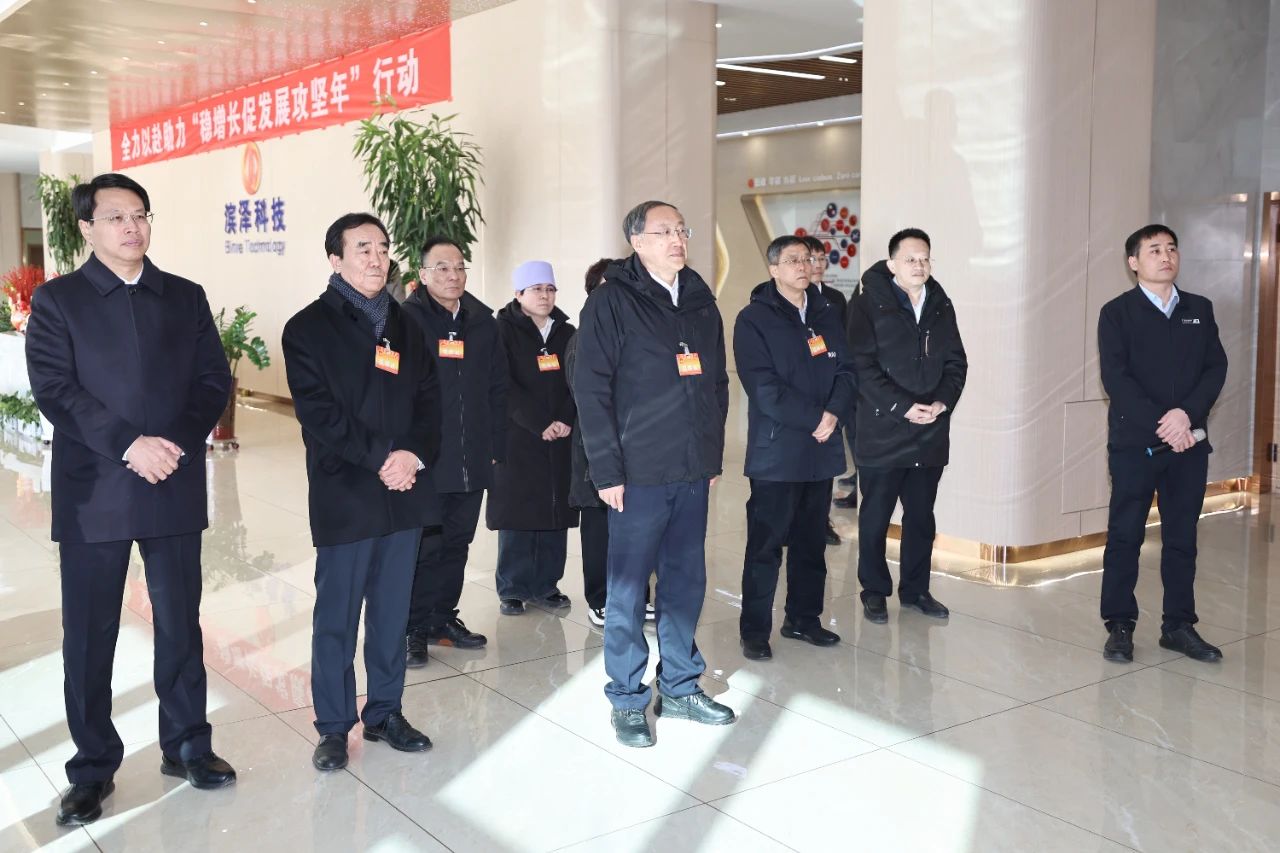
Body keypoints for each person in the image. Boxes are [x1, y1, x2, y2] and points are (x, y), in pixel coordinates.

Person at [25, 172, 236, 826]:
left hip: (171, 479)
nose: (131, 227)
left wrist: (170, 444)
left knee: (180, 622)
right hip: (96, 490)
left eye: (140, 214)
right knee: (90, 634)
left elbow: (213, 381)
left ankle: (188, 744)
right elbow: (56, 390)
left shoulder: (184, 296)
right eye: (115, 216)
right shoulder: (58, 300)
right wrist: (128, 445)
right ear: (87, 227)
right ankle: (92, 767)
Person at [574, 200, 735, 748]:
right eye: (664, 231)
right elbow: (591, 390)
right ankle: (626, 697)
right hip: (636, 473)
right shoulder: (611, 301)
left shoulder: (700, 299)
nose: (677, 239)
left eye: (682, 230)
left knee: (686, 581)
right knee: (626, 590)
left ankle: (682, 686)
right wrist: (606, 471)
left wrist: (710, 456)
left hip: (691, 470)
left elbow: (717, 384)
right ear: (637, 241)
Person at [282, 212, 439, 771]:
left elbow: (430, 401)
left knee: (392, 614)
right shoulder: (307, 328)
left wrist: (411, 455)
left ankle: (385, 712)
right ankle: (332, 725)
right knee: (337, 616)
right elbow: (320, 415)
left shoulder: (407, 325)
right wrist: (381, 459)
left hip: (404, 490)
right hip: (345, 490)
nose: (376, 258)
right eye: (363, 248)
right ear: (335, 259)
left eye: (382, 248)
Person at [1097, 224, 1228, 663]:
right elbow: (1116, 379)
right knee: (1125, 536)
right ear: (1133, 262)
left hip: (1188, 444)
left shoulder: (1199, 309)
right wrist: (1164, 423)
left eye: (1171, 248)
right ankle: (1119, 624)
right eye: (1154, 250)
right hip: (1136, 445)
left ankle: (1178, 626)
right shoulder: (1117, 313)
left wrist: (1185, 415)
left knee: (1182, 537)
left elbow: (1215, 368)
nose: (1166, 256)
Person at [734, 236, 855, 660]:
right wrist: (815, 419)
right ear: (773, 269)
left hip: (820, 451)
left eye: (807, 259)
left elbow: (847, 370)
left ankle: (803, 619)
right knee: (765, 547)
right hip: (778, 452)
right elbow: (763, 387)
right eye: (792, 260)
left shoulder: (826, 313)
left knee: (811, 543)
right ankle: (754, 630)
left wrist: (833, 414)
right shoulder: (753, 319)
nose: (803, 266)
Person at [848, 227, 967, 624]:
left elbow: (956, 362)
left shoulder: (940, 303)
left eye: (924, 258)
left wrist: (942, 403)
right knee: (876, 517)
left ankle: (916, 590)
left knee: (920, 517)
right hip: (883, 429)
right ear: (891, 264)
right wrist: (902, 406)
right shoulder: (868, 302)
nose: (919, 265)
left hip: (929, 431)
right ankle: (874, 591)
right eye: (910, 259)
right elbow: (861, 366)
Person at [401, 236, 507, 663]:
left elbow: (498, 387)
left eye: (459, 267)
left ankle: (441, 618)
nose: (452, 275)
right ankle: (411, 627)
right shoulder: (406, 321)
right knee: (424, 547)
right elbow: (398, 391)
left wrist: (495, 445)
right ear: (423, 275)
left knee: (458, 544)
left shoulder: (483, 322)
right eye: (441, 268)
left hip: (473, 455)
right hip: (427, 458)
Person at [565, 259, 656, 628]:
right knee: (600, 530)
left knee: (637, 531)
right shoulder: (583, 338)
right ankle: (600, 598)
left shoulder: (637, 335)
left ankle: (637, 595)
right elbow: (589, 400)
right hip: (598, 452)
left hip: (639, 453)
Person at [489, 261, 579, 615]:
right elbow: (501, 384)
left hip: (561, 435)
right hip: (519, 434)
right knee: (518, 511)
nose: (545, 295)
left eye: (550, 289)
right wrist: (540, 422)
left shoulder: (567, 332)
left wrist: (566, 418)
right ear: (518, 294)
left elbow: (578, 379)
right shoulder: (501, 331)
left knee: (555, 509)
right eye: (537, 289)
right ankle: (512, 587)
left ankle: (546, 585)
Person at [803, 235, 857, 534]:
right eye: (811, 259)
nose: (818, 265)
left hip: (831, 387)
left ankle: (822, 523)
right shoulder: (790, 297)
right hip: (802, 391)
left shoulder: (835, 298)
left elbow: (845, 344)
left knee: (826, 463)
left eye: (822, 259)